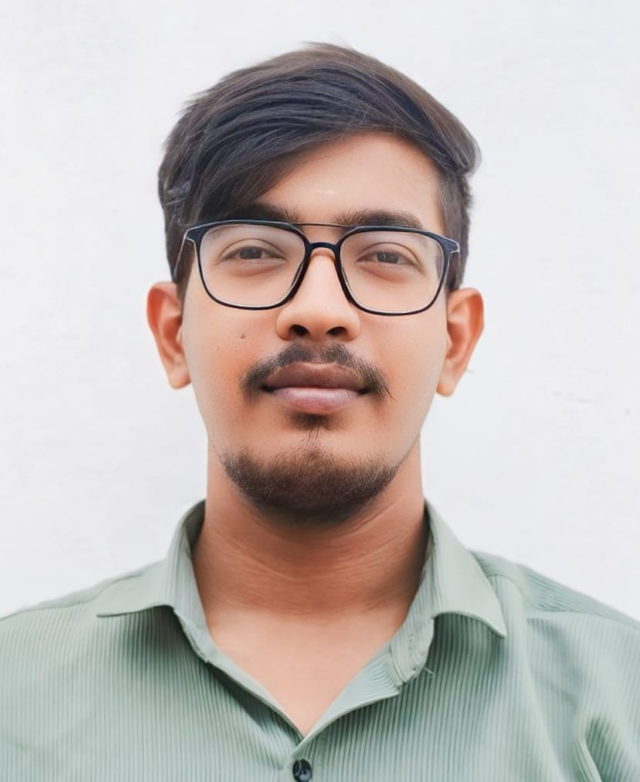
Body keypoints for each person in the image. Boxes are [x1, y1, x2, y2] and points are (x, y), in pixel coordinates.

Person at [1, 43, 638, 781]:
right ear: (173, 334)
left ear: (455, 342)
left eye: (386, 255)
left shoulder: (618, 702)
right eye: (255, 251)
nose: (318, 309)